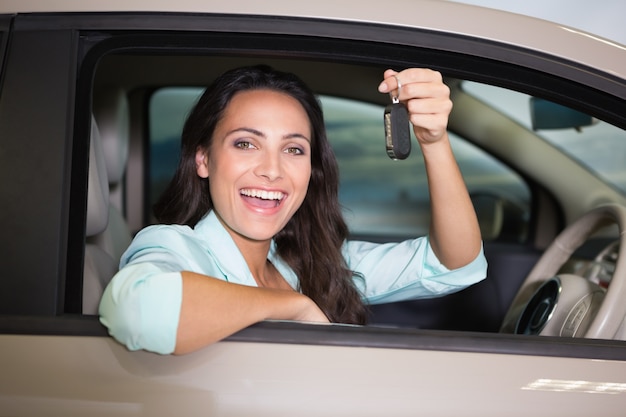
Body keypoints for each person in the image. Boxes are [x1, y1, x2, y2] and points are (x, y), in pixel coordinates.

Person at [99, 65, 487, 355]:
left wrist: (434, 142)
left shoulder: (311, 261)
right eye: (245, 144)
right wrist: (294, 307)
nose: (271, 170)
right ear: (203, 159)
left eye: (294, 149)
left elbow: (454, 264)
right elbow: (137, 309)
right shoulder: (175, 246)